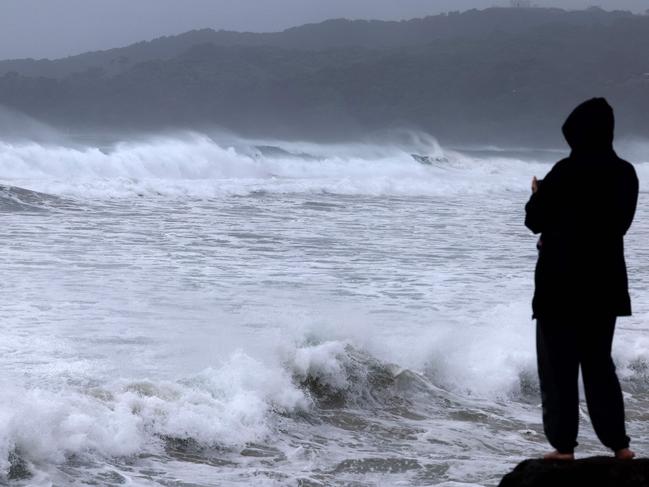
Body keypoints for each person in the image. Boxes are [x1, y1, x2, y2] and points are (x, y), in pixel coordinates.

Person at [525, 98, 638, 461]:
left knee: (558, 368)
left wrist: (538, 195)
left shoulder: (565, 171)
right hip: (604, 284)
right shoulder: (625, 172)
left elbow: (534, 221)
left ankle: (563, 448)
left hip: (560, 283)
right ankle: (620, 446)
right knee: (599, 365)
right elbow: (619, 224)